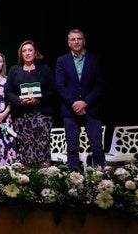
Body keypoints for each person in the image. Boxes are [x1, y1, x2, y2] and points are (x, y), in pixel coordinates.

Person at [55, 29, 105, 171]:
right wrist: (74, 103)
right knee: (72, 148)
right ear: (69, 43)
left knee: (97, 147)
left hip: (92, 108)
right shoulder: (62, 61)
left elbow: (100, 84)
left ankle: (102, 180)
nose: (76, 42)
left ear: (84, 41)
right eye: (73, 39)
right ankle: (74, 182)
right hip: (69, 110)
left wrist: (85, 102)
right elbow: (60, 85)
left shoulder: (94, 59)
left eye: (79, 39)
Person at [6, 40, 58, 169]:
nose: (27, 53)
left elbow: (52, 90)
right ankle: (29, 180)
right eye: (24, 51)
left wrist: (39, 99)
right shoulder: (14, 70)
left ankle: (46, 179)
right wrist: (19, 100)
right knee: (26, 146)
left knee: (42, 145)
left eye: (30, 50)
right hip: (22, 116)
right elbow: (7, 91)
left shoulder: (44, 69)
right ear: (21, 54)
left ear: (35, 53)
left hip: (42, 114)